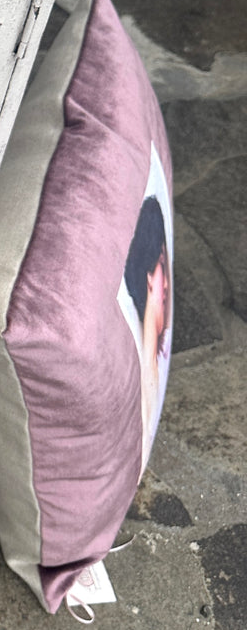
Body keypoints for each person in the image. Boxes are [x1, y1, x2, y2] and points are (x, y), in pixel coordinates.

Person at [122, 195, 171, 466]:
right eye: (162, 263)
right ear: (149, 276)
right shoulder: (136, 368)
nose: (167, 287)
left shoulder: (148, 361)